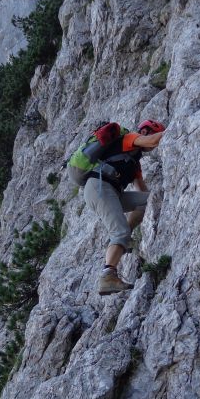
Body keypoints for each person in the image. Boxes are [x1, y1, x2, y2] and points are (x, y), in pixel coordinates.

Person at [77, 119, 166, 295]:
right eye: (154, 133)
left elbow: (142, 191)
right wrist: (175, 128)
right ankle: (108, 276)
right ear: (148, 131)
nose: (154, 147)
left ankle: (125, 237)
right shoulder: (129, 138)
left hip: (110, 191)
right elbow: (152, 141)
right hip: (99, 187)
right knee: (119, 232)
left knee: (149, 201)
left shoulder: (134, 162)